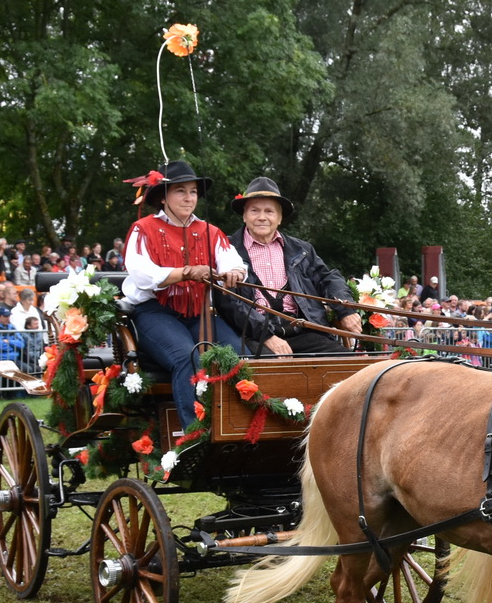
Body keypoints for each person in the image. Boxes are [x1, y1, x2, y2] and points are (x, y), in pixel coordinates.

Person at [120, 159, 248, 429]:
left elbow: (232, 261)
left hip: (198, 311)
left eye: (192, 191)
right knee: (184, 357)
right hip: (155, 311)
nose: (188, 198)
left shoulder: (210, 231)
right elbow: (142, 274)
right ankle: (195, 435)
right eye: (180, 191)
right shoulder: (143, 229)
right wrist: (187, 272)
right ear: (163, 197)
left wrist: (234, 272)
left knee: (239, 354)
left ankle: (238, 427)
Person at [223, 176, 359, 355]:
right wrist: (267, 336)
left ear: (279, 218)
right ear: (244, 215)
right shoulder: (226, 249)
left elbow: (328, 278)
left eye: (269, 211)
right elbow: (228, 302)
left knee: (348, 365)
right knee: (273, 373)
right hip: (253, 334)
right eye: (254, 211)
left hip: (303, 330)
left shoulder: (302, 249)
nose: (262, 217)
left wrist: (345, 310)